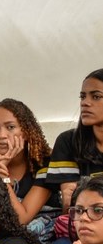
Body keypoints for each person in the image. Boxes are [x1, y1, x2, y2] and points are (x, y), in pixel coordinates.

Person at [0, 98, 60, 244]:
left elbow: (21, 218)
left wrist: (1, 178)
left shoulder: (45, 163)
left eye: (10, 127)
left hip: (35, 242)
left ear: (26, 132)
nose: (2, 135)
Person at [47, 68, 103, 213]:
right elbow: (70, 206)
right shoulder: (67, 142)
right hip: (84, 227)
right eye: (82, 96)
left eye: (96, 97)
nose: (85, 103)